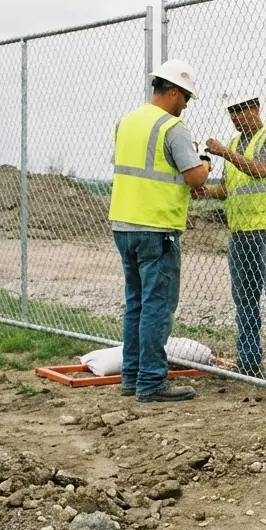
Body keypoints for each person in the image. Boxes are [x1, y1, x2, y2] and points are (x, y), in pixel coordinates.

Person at [109, 59, 212, 403]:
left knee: (135, 302)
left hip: (124, 223)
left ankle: (132, 375)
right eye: (185, 98)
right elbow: (194, 176)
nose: (185, 105)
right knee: (157, 304)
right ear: (172, 92)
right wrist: (205, 163)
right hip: (157, 228)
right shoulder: (173, 128)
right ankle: (152, 381)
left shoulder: (126, 122)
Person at [195, 96, 266, 376]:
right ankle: (249, 360)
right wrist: (203, 191)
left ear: (255, 109)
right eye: (231, 113)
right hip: (241, 233)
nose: (235, 118)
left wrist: (225, 153)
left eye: (240, 111)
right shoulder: (234, 144)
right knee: (245, 299)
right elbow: (230, 188)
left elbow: (262, 170)